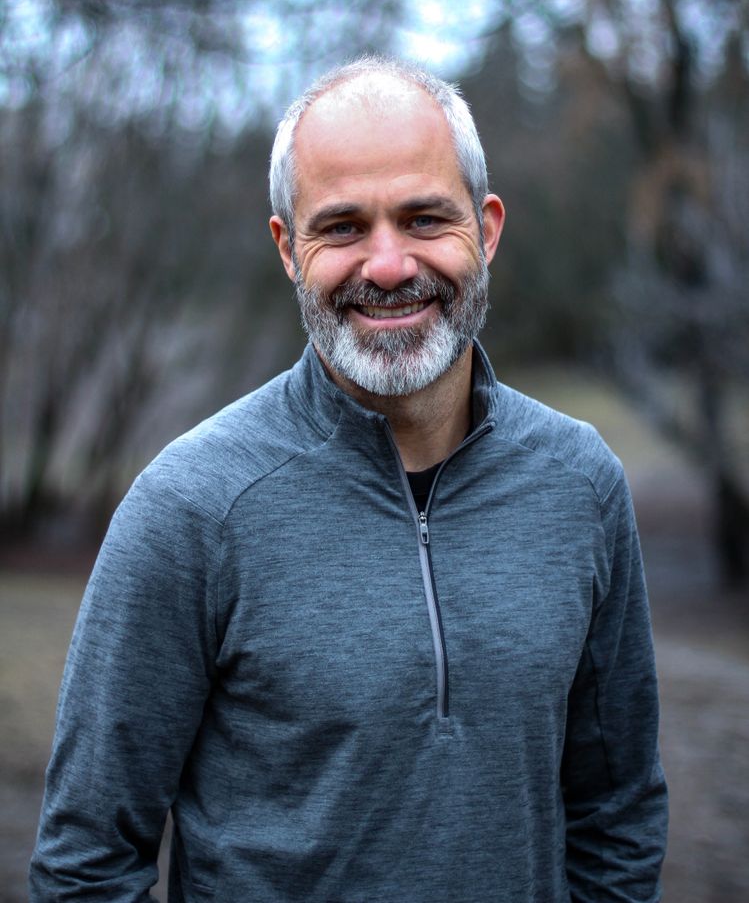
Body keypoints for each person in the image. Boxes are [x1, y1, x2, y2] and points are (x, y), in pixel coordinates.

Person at [30, 55, 668, 902]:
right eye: (341, 228)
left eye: (423, 218)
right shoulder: (190, 508)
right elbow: (85, 864)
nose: (389, 264)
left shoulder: (579, 484)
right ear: (287, 250)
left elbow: (617, 817)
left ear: (486, 229)